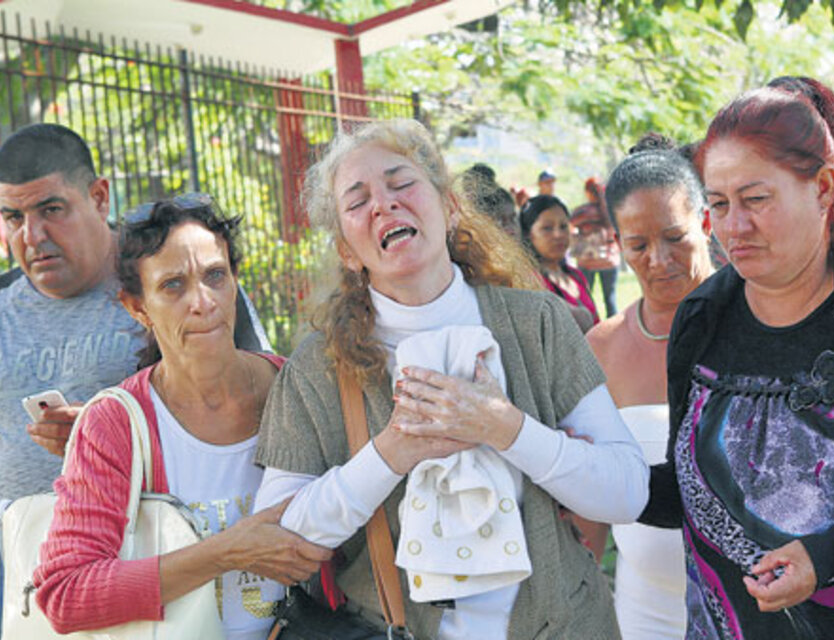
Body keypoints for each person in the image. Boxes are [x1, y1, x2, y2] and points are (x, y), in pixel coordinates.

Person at [252, 119, 649, 640]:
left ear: (450, 206)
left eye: (401, 183)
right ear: (347, 250)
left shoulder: (539, 323)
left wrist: (504, 427)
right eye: (357, 201)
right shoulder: (316, 370)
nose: (383, 205)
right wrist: (393, 450)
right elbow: (277, 544)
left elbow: (627, 493)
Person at [641, 77, 834, 638]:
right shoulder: (701, 317)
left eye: (756, 199)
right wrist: (558, 459)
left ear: (824, 187)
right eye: (718, 204)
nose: (733, 227)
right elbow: (693, 491)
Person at [0, 124, 270, 629]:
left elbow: (252, 406)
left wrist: (111, 432)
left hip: (171, 563)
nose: (31, 236)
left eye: (51, 210)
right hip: (21, 566)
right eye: (11, 217)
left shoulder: (176, 274)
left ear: (99, 197)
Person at [32, 198, 331, 639]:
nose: (203, 301)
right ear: (137, 307)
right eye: (173, 285)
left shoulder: (297, 388)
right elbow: (66, 593)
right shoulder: (117, 424)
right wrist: (226, 552)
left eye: (215, 276)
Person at [585, 148, 715, 639]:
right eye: (638, 245)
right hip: (644, 614)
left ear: (705, 221)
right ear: (617, 243)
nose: (659, 261)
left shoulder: (758, 321)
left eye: (675, 238)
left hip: (754, 604)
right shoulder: (602, 347)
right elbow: (590, 496)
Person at [519, 194, 600, 331]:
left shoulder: (576, 276)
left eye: (563, 227)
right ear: (528, 234)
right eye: (547, 228)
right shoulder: (530, 283)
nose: (558, 234)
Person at [571, 177, 620, 318]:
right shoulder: (611, 211)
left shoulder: (582, 212)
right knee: (610, 299)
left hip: (587, 261)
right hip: (609, 260)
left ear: (587, 192)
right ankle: (614, 330)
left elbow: (570, 225)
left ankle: (590, 328)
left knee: (586, 298)